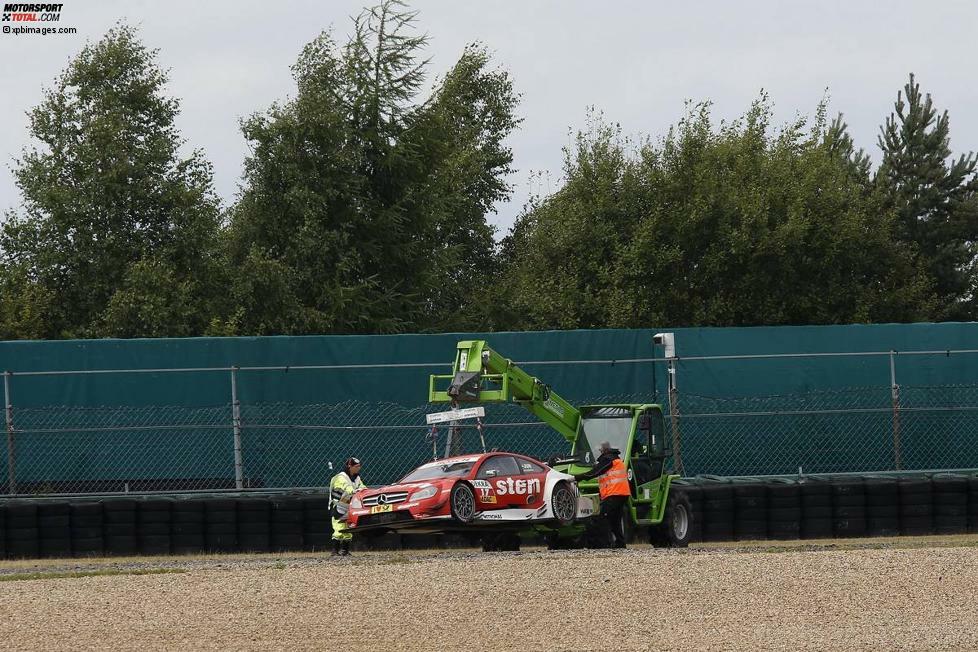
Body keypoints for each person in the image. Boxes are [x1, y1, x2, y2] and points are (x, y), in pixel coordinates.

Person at [578, 442, 631, 548]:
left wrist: (576, 477)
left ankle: (604, 543)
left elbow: (594, 472)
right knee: (615, 520)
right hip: (622, 493)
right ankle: (620, 543)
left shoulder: (608, 459)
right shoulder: (616, 459)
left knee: (601, 517)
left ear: (603, 450)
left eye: (599, 450)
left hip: (614, 493)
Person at [329, 457, 366, 556]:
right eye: (356, 466)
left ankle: (345, 551)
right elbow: (347, 487)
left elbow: (362, 487)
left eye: (359, 466)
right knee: (338, 528)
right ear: (350, 466)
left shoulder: (357, 478)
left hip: (349, 507)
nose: (359, 468)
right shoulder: (341, 477)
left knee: (349, 529)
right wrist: (354, 491)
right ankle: (334, 551)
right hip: (338, 506)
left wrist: (364, 491)